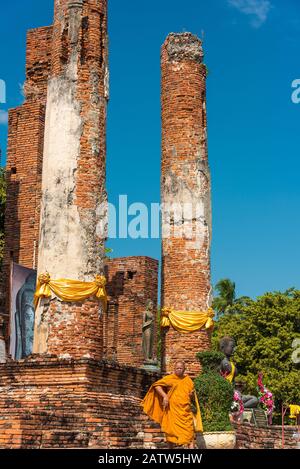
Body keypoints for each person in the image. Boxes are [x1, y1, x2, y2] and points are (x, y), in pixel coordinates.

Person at [141, 361, 203, 448]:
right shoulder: (170, 378)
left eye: (181, 368)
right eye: (177, 368)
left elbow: (192, 397)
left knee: (189, 435)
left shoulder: (188, 380)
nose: (179, 370)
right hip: (172, 411)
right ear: (174, 369)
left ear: (184, 369)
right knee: (170, 435)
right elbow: (157, 386)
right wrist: (165, 396)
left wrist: (191, 395)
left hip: (185, 412)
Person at [220, 336, 258, 409]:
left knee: (254, 399)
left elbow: (233, 381)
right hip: (225, 393)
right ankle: (235, 407)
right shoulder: (220, 362)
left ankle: (237, 407)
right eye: (231, 347)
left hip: (233, 393)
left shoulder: (231, 363)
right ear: (223, 347)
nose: (233, 349)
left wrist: (236, 391)